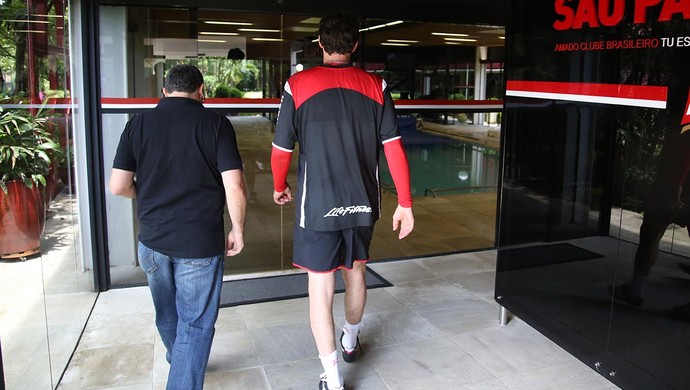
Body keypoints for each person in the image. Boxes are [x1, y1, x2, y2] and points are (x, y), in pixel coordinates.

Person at [270, 12, 414, 390]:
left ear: (319, 45)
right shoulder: (376, 85)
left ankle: (332, 379)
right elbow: (394, 149)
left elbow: (281, 149)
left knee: (320, 288)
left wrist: (278, 184)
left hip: (318, 205)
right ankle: (350, 337)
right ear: (353, 46)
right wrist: (406, 203)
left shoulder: (297, 85)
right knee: (357, 272)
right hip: (363, 201)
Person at [110, 64, 247, 390]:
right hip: (199, 243)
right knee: (196, 325)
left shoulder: (138, 124)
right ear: (202, 92)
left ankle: (180, 357)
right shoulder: (217, 125)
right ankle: (183, 370)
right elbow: (235, 187)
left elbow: (117, 186)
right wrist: (238, 228)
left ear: (165, 90)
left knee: (168, 314)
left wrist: (144, 193)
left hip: (152, 243)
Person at [611, 81, 690, 310]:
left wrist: (677, 182)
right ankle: (634, 288)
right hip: (678, 179)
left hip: (677, 180)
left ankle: (635, 289)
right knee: (652, 230)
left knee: (652, 229)